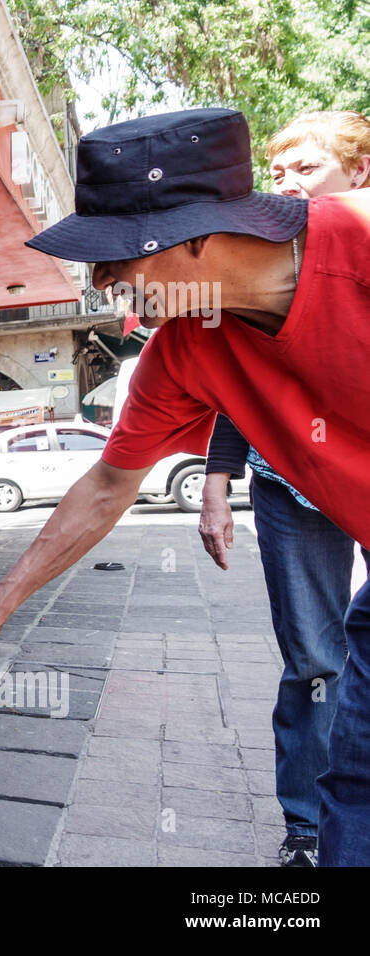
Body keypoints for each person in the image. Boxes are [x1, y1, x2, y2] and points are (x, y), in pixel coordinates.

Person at [0, 107, 370, 866]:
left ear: (194, 235)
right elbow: (107, 485)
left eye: (115, 260)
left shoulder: (356, 241)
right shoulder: (185, 347)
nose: (103, 286)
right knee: (354, 780)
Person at [197, 109, 370, 866]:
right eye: (280, 172)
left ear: (358, 173)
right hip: (288, 483)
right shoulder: (258, 258)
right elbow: (244, 376)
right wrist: (216, 477)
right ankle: (308, 829)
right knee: (317, 662)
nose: (288, 184)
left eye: (307, 168)